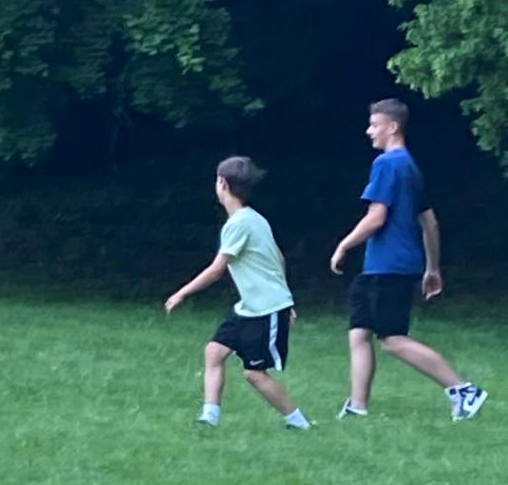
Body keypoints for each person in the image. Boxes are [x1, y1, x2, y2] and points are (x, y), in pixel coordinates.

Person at [330, 98, 487, 421]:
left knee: (392, 339)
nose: (369, 131)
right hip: (383, 266)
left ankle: (463, 390)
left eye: (374, 125)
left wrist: (343, 245)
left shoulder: (388, 164)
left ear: (392, 127)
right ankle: (357, 407)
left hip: (390, 266)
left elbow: (376, 217)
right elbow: (429, 221)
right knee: (359, 331)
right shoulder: (411, 167)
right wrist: (432, 268)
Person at [165, 156, 311, 430]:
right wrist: (286, 297)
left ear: (222, 183)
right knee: (214, 352)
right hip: (249, 307)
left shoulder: (239, 224)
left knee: (254, 373)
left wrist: (181, 293)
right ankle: (209, 418)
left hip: (265, 308)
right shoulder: (254, 219)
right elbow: (279, 258)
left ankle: (300, 423)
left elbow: (216, 269)